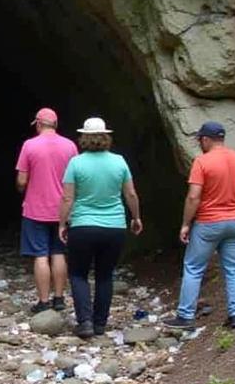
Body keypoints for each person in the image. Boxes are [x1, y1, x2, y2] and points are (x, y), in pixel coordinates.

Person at [162, 121, 235, 330]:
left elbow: (194, 197)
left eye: (200, 140)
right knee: (233, 268)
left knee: (194, 268)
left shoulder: (202, 162)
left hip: (208, 223)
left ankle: (185, 316)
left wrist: (186, 224)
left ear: (205, 139)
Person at [58, 117, 143, 338]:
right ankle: (100, 324)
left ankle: (84, 321)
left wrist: (62, 223)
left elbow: (68, 198)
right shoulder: (119, 161)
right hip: (114, 227)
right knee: (105, 275)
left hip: (83, 226)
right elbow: (130, 193)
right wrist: (136, 217)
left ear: (84, 138)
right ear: (106, 137)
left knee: (78, 274)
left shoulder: (76, 163)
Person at [16, 107, 78, 313]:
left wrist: (22, 189)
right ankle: (59, 298)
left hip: (35, 209)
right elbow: (75, 179)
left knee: (40, 255)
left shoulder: (29, 145)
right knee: (59, 253)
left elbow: (22, 180)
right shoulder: (70, 146)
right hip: (63, 209)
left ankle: (43, 301)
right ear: (56, 124)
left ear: (39, 124)